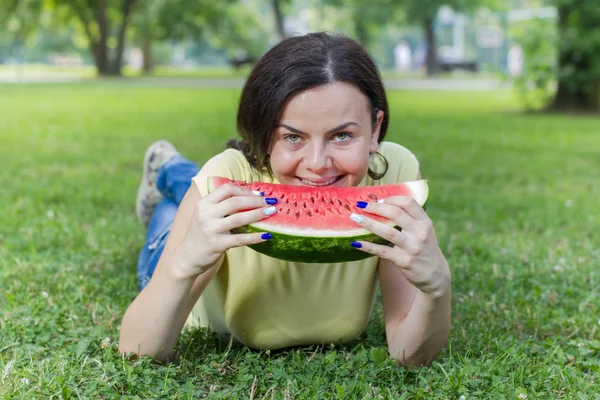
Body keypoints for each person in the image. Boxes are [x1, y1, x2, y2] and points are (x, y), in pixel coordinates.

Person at [119, 32, 451, 367]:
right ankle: (167, 167)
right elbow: (137, 352)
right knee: (172, 220)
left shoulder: (396, 172)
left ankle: (174, 170)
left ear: (375, 131)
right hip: (180, 277)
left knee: (195, 187)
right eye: (292, 137)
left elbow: (409, 356)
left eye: (342, 135)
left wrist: (437, 286)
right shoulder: (228, 179)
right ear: (264, 136)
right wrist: (183, 263)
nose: (318, 164)